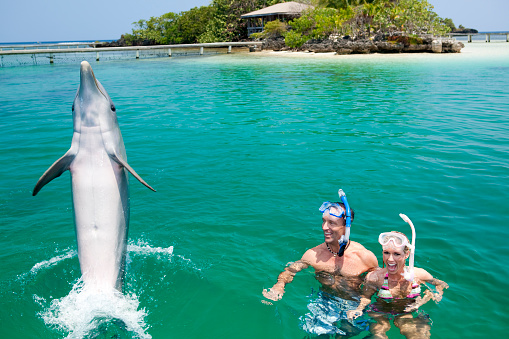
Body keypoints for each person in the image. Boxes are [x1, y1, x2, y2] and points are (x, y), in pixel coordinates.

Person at [263, 190, 378, 336]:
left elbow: (378, 280)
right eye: (323, 221)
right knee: (317, 335)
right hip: (325, 301)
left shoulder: (365, 257)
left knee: (349, 333)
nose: (324, 227)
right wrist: (279, 285)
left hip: (355, 305)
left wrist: (363, 306)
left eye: (331, 223)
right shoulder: (313, 255)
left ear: (346, 226)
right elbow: (290, 270)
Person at [347, 214, 449, 339]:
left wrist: (435, 294)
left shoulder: (419, 274)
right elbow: (366, 297)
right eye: (386, 253)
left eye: (396, 254)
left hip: (406, 313)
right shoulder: (374, 278)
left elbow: (441, 284)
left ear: (406, 254)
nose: (390, 259)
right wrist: (359, 309)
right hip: (380, 311)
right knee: (379, 335)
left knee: (417, 336)